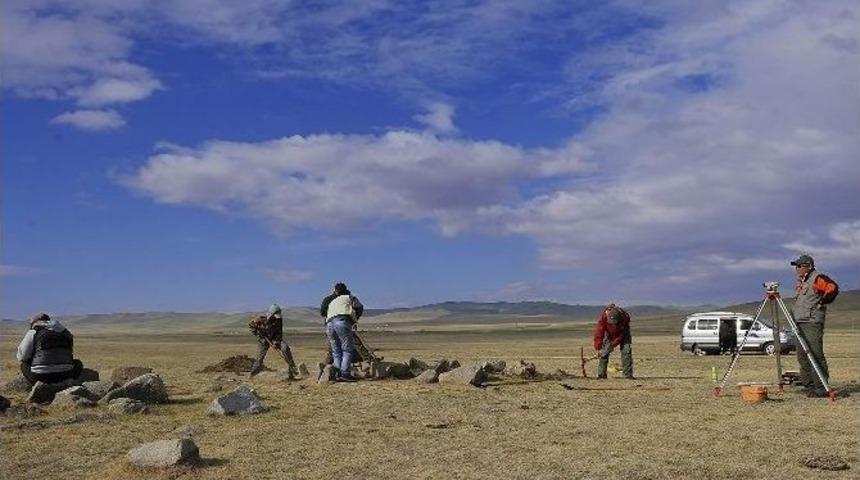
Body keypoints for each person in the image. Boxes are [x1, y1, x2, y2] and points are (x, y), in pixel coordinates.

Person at [790, 254, 839, 398]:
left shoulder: (818, 278)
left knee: (815, 354)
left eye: (800, 266)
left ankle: (821, 387)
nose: (797, 269)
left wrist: (821, 302)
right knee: (802, 355)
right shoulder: (803, 281)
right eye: (796, 266)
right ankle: (809, 385)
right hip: (799, 322)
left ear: (809, 266)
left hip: (811, 322)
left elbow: (833, 288)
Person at [16, 313, 84, 384]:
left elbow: (22, 356)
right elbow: (70, 351)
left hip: (40, 376)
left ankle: (38, 387)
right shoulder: (65, 332)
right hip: (66, 374)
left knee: (23, 364)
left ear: (34, 322)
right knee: (78, 363)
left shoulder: (33, 331)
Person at [320, 282, 364, 381]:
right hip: (342, 321)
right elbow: (360, 307)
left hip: (329, 324)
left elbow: (323, 311)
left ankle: (336, 373)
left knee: (336, 351)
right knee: (347, 349)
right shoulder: (349, 297)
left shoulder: (331, 300)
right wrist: (355, 319)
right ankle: (345, 374)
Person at [249, 304, 299, 378]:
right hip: (264, 339)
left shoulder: (279, 319)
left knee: (285, 348)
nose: (277, 317)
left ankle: (293, 368)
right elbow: (251, 326)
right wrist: (258, 334)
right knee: (260, 357)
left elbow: (279, 332)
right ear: (271, 313)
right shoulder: (260, 319)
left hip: (274, 338)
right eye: (275, 315)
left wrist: (276, 342)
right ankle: (253, 374)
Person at [592, 303, 634, 379]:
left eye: (615, 323)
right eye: (611, 323)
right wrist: (599, 348)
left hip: (623, 334)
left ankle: (628, 375)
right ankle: (601, 375)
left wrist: (612, 345)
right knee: (604, 353)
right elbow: (599, 332)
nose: (613, 325)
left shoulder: (624, 317)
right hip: (608, 333)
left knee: (626, 351)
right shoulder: (603, 317)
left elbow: (621, 335)